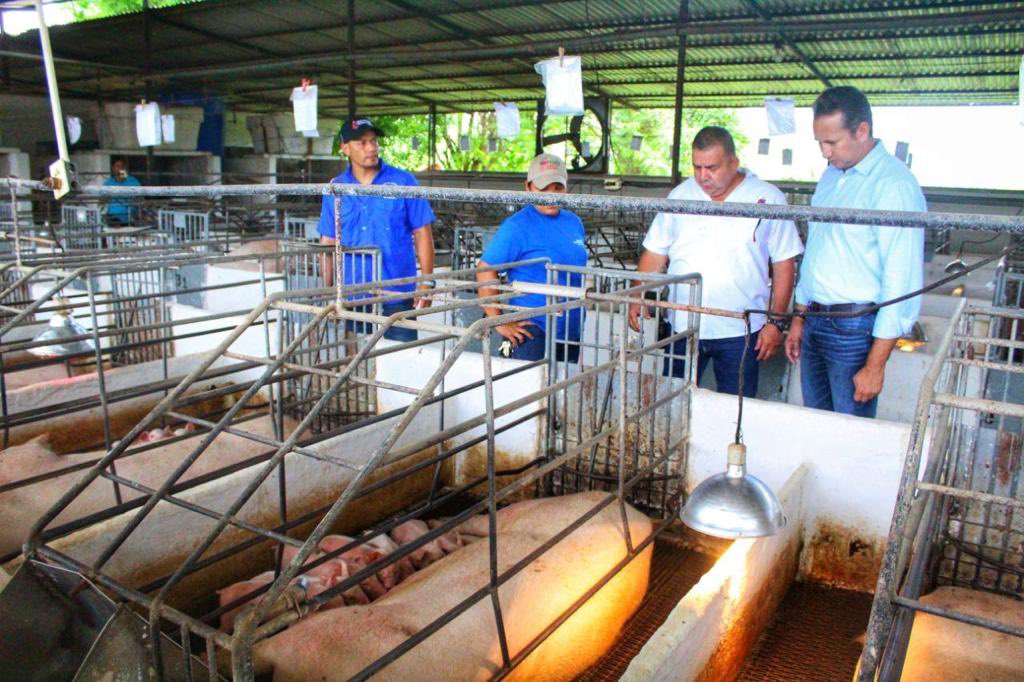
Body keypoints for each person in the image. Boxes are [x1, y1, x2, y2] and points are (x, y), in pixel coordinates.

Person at [629, 126, 802, 397]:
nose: (702, 176)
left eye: (711, 167)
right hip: (683, 326)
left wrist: (776, 322)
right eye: (696, 167)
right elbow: (655, 251)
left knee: (736, 407)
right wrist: (637, 294)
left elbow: (784, 263)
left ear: (734, 162)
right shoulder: (680, 196)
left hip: (741, 329)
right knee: (671, 402)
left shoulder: (768, 198)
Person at [785, 86, 925, 418]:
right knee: (817, 420)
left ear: (862, 131)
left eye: (832, 142)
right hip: (816, 318)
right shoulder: (831, 177)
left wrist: (876, 364)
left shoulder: (894, 185)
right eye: (819, 142)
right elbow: (816, 250)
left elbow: (902, 278)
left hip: (854, 326)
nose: (824, 152)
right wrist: (799, 318)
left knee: (848, 430)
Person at [317, 117, 436, 342]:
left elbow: (422, 231)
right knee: (358, 362)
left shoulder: (404, 182)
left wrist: (426, 281)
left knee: (401, 359)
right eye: (362, 142)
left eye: (373, 141)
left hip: (398, 293)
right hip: (353, 294)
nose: (371, 147)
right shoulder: (335, 188)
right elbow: (328, 240)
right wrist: (328, 289)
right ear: (345, 148)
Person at [476, 153, 588, 361]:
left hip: (570, 329)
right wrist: (497, 320)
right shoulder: (518, 226)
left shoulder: (574, 222)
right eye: (542, 188)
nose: (550, 195)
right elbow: (486, 268)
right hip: (532, 330)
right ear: (528, 187)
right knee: (530, 390)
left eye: (557, 188)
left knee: (564, 390)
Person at [103, 157, 140, 226]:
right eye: (118, 166)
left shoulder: (133, 181)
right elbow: (102, 201)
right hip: (112, 217)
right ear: (113, 168)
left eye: (122, 167)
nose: (120, 169)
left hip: (130, 217)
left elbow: (140, 198)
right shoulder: (108, 183)